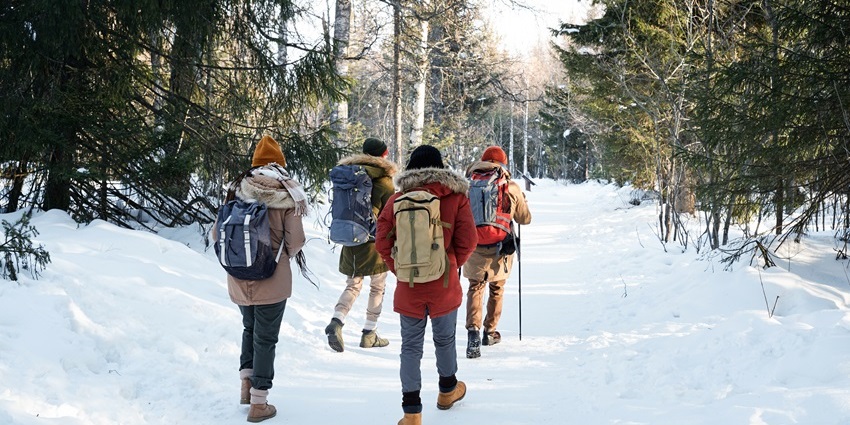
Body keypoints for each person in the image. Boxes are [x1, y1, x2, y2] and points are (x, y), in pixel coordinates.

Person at [375, 145, 478, 425]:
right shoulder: (456, 197)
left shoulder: (397, 198)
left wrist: (400, 269)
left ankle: (411, 413)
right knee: (444, 339)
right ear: (441, 167)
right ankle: (447, 391)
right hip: (444, 283)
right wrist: (452, 263)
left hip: (409, 285)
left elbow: (382, 241)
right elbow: (468, 241)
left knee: (410, 347)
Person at [213, 135, 309, 423]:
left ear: (255, 164)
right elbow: (296, 241)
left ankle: (246, 384)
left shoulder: (237, 189)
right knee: (266, 338)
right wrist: (280, 256)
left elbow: (217, 234)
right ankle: (259, 403)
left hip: (239, 275)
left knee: (248, 328)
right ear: (280, 164)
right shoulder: (287, 195)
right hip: (272, 278)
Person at [324, 138, 398, 352]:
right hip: (375, 243)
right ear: (382, 155)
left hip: (351, 237)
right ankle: (369, 333)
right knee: (377, 287)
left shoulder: (349, 176)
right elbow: (390, 214)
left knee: (353, 285)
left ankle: (336, 321)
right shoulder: (384, 181)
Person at [462, 145, 532, 358]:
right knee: (497, 288)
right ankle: (490, 332)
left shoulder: (467, 185)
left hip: (473, 245)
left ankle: (472, 332)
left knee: (476, 286)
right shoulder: (510, 186)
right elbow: (524, 219)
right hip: (500, 247)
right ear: (503, 163)